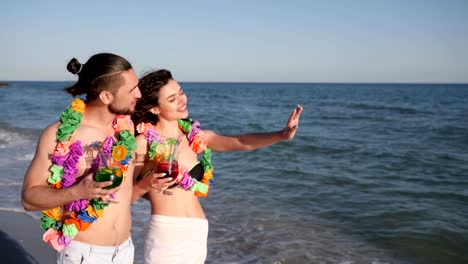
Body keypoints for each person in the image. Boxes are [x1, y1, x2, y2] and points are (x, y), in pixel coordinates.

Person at [131, 69, 303, 264]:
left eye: (181, 92)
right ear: (154, 109)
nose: (181, 100)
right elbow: (121, 197)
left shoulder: (194, 137)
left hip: (198, 230)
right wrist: (145, 185)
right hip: (167, 234)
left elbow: (241, 141)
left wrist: (282, 135)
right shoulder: (142, 143)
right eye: (172, 99)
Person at [21, 53, 169, 263]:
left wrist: (146, 184)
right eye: (132, 89)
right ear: (106, 97)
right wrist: (78, 191)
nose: (139, 93)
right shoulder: (59, 134)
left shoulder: (125, 131)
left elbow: (121, 197)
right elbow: (29, 199)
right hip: (84, 254)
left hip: (125, 250)